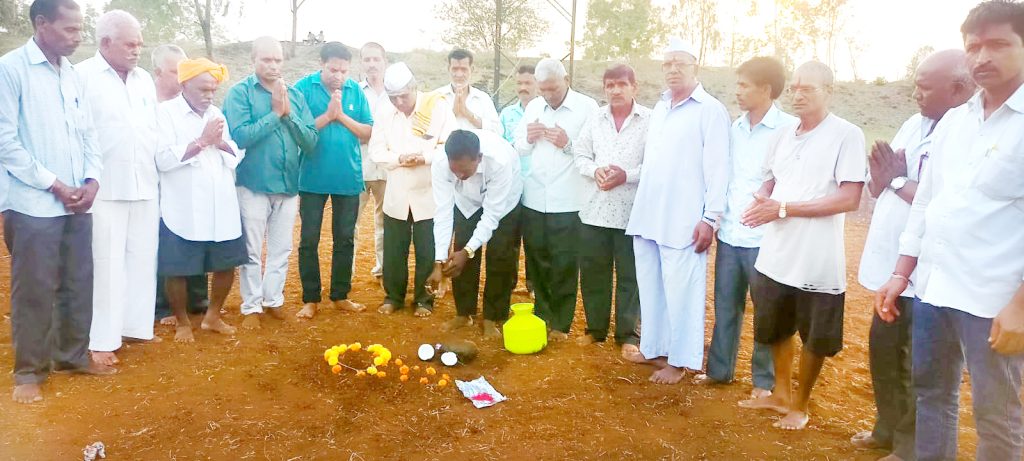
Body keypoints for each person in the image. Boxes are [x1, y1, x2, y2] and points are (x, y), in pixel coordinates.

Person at [876, 2, 1024, 458]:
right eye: (973, 47)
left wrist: (1020, 306)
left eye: (998, 44)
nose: (983, 57)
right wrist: (901, 273)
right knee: (932, 396)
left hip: (993, 299)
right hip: (934, 289)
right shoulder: (956, 121)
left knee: (996, 416)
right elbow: (926, 202)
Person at [851, 50, 974, 461]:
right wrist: (884, 179)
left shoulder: (967, 134)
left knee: (918, 365)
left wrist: (896, 180)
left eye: (924, 87)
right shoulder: (912, 123)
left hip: (927, 273)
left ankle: (910, 447)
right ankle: (886, 429)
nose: (915, 94)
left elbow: (939, 200)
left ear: (958, 88)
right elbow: (880, 183)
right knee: (884, 353)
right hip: (893, 266)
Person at [737, 61, 866, 431]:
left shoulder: (846, 135)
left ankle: (801, 404)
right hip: (777, 252)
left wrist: (782, 208)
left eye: (807, 88)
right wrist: (762, 199)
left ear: (829, 91)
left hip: (816, 256)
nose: (798, 94)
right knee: (775, 326)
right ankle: (780, 393)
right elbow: (771, 180)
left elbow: (849, 198)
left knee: (814, 334)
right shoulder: (781, 135)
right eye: (794, 88)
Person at [0, 0, 116, 404]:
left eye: (80, 29)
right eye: (70, 29)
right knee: (35, 288)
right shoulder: (10, 69)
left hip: (77, 201)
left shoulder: (72, 74)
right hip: (32, 204)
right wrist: (54, 185)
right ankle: (29, 372)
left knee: (78, 281)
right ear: (41, 23)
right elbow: (5, 142)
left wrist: (92, 179)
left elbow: (88, 133)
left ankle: (72, 356)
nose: (78, 37)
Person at [623, 39, 730, 383]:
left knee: (682, 291)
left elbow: (719, 169)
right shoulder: (661, 107)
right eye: (667, 64)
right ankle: (653, 348)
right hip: (650, 213)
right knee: (651, 286)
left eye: (680, 64)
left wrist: (710, 218)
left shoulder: (710, 110)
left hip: (685, 218)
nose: (672, 69)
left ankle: (679, 361)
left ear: (695, 67)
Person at [694, 57, 796, 397]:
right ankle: (719, 371)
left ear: (766, 89)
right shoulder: (734, 128)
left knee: (766, 311)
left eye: (744, 85)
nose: (737, 91)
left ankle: (764, 383)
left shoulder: (789, 130)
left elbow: (790, 181)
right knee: (726, 306)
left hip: (767, 238)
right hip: (730, 234)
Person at [78, 9, 160, 367]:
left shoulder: (144, 80)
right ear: (105, 42)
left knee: (142, 259)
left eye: (139, 44)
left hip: (145, 182)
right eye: (130, 44)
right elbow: (77, 133)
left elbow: (151, 128)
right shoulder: (81, 76)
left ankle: (134, 327)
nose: (137, 50)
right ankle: (101, 339)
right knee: (107, 264)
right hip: (104, 186)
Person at [224, 36, 317, 329]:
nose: (273, 65)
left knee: (281, 248)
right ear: (253, 59)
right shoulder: (240, 93)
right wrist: (275, 114)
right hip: (253, 182)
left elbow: (310, 141)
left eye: (278, 60)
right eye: (266, 59)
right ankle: (251, 306)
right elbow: (240, 136)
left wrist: (287, 115)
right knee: (252, 248)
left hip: (288, 184)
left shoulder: (295, 96)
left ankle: (272, 299)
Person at [155, 59, 243, 344]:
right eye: (203, 89)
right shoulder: (165, 113)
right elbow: (162, 159)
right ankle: (182, 322)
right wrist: (202, 141)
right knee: (177, 267)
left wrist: (219, 143)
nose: (209, 95)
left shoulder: (216, 113)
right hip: (183, 205)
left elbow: (233, 155)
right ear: (184, 85)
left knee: (226, 262)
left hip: (221, 201)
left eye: (213, 90)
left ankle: (212, 316)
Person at [514, 58, 598, 341]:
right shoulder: (534, 107)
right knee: (537, 261)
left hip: (569, 200)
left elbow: (595, 152)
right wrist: (528, 138)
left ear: (566, 81)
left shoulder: (587, 108)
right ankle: (542, 316)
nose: (548, 95)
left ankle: (561, 324)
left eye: (553, 88)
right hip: (535, 197)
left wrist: (568, 144)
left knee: (564, 263)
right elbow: (519, 148)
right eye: (543, 89)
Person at [573, 64, 648, 358]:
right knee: (594, 273)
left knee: (630, 275)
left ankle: (628, 334)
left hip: (633, 213)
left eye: (621, 84)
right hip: (595, 210)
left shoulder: (650, 121)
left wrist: (626, 175)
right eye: (610, 85)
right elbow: (580, 154)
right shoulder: (595, 119)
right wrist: (595, 171)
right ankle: (595, 329)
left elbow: (655, 164)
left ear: (634, 87)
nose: (615, 90)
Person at [293, 42, 373, 319]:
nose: (339, 76)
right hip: (311, 177)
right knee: (309, 239)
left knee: (345, 239)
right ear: (321, 64)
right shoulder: (303, 88)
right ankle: (310, 299)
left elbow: (367, 132)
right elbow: (297, 130)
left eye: (344, 71)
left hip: (348, 176)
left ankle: (340, 295)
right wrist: (328, 116)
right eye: (333, 70)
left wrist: (341, 116)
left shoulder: (355, 91)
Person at [370, 62, 455, 316]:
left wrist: (424, 158)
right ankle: (393, 297)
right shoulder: (384, 112)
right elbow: (376, 151)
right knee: (394, 249)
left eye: (403, 96)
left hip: (428, 191)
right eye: (393, 97)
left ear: (414, 88)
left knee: (427, 249)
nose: (399, 102)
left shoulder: (436, 106)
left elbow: (450, 145)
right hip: (397, 191)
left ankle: (424, 300)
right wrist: (398, 159)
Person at [427, 130, 522, 338]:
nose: (459, 176)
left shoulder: (500, 162)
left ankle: (492, 317)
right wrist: (439, 260)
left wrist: (468, 251)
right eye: (455, 171)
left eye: (464, 170)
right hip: (466, 203)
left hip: (504, 204)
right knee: (459, 253)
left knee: (500, 254)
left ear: (478, 158)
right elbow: (443, 212)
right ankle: (464, 313)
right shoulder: (440, 163)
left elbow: (492, 215)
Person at [151, 44, 210, 324]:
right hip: (156, 183)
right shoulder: (147, 104)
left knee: (196, 235)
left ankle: (197, 301)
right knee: (165, 243)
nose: (183, 76)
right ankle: (163, 306)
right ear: (158, 72)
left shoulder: (195, 105)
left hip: (191, 184)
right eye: (176, 71)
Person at [499, 64, 538, 295]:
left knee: (534, 241)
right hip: (512, 188)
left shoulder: (544, 113)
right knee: (510, 239)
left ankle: (533, 285)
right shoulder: (506, 114)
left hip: (536, 187)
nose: (523, 87)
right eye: (520, 83)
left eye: (528, 83)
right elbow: (502, 147)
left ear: (537, 85)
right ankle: (509, 284)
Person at [358, 42, 389, 284]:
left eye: (376, 59)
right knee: (351, 224)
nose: (372, 64)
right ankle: (345, 277)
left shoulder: (395, 92)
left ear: (384, 62)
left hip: (388, 168)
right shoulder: (354, 92)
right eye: (367, 59)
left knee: (386, 223)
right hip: (358, 166)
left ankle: (383, 271)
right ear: (361, 63)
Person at [435, 49, 499, 133]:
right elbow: (427, 132)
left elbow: (497, 130)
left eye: (464, 69)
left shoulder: (483, 98)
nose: (459, 74)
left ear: (471, 69)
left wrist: (468, 114)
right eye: (455, 69)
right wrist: (453, 114)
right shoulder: (436, 97)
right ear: (448, 69)